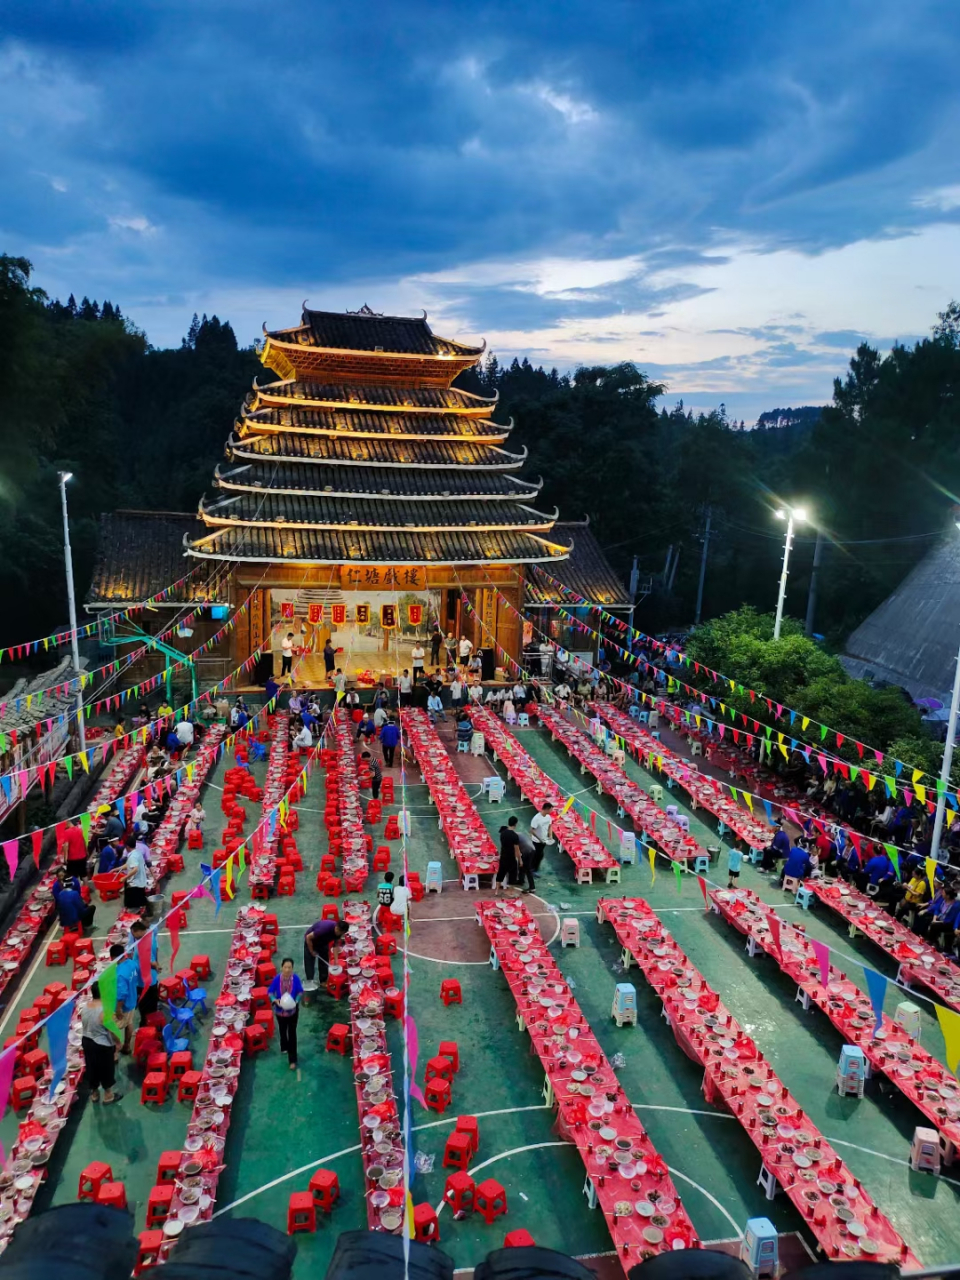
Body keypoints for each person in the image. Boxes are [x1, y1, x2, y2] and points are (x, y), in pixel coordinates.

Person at [81, 982, 122, 1104]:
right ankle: (108, 1095)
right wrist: (118, 1042)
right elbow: (112, 1030)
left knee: (91, 1067)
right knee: (106, 1069)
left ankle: (94, 1093)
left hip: (87, 1041)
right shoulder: (105, 1011)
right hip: (102, 1044)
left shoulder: (85, 1007)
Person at [268, 958, 304, 1069]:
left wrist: (296, 1001)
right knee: (282, 1030)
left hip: (293, 1011)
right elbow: (270, 992)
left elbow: (300, 991)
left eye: (289, 967)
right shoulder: (277, 979)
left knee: (292, 1034)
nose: (287, 970)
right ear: (281, 968)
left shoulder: (296, 979)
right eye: (285, 967)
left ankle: (292, 1060)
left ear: (292, 969)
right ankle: (284, 1046)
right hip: (280, 1012)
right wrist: (274, 1000)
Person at [303, 919, 349, 990]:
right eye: (337, 930)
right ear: (336, 926)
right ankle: (310, 981)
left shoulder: (339, 933)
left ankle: (323, 981)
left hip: (323, 942)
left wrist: (336, 961)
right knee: (309, 963)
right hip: (311, 941)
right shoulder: (324, 929)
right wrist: (311, 951)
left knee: (324, 960)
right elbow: (308, 937)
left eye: (340, 932)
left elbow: (335, 946)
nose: (337, 932)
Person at [111, 942, 141, 1054]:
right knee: (129, 1022)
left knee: (110, 1027)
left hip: (124, 1005)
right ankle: (127, 1046)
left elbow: (122, 994)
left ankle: (117, 1047)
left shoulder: (120, 974)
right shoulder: (133, 964)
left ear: (113, 957)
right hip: (133, 1000)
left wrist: (118, 1009)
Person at [129, 919, 160, 1022]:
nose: (133, 937)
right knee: (151, 1004)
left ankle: (146, 1025)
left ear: (138, 931)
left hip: (145, 982)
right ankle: (152, 1023)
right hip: (151, 978)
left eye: (134, 934)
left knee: (145, 1007)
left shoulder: (144, 942)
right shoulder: (151, 935)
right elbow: (155, 953)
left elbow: (150, 961)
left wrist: (155, 965)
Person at [122, 836, 150, 915]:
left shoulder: (133, 856)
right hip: (141, 880)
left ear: (127, 846)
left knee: (133, 905)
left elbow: (135, 869)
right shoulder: (137, 852)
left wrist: (125, 877)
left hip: (135, 883)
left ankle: (134, 917)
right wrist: (117, 869)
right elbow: (128, 864)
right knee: (139, 898)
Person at [496, 818, 522, 894]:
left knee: (500, 873)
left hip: (503, 856)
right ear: (515, 824)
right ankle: (510, 893)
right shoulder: (515, 836)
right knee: (512, 876)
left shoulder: (503, 833)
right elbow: (517, 850)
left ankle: (497, 891)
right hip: (511, 858)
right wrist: (520, 860)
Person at [530, 803, 554, 872]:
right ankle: (532, 869)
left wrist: (550, 836)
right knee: (537, 855)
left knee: (540, 855)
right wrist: (540, 839)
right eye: (551, 809)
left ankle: (535, 868)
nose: (552, 811)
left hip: (544, 840)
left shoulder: (548, 817)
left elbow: (550, 826)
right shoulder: (536, 818)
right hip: (537, 841)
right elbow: (531, 830)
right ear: (547, 809)